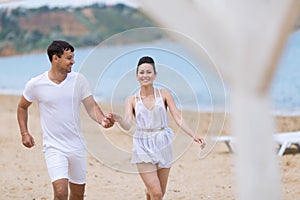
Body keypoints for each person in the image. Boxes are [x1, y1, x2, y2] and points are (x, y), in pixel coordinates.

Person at [17, 40, 114, 200]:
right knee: (61, 192)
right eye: (69, 58)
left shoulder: (79, 80)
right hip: (54, 147)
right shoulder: (36, 84)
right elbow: (22, 107)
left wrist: (103, 120)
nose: (73, 62)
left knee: (77, 195)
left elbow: (91, 106)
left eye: (73, 57)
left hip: (77, 146)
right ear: (56, 58)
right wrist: (24, 132)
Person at [110, 56, 206, 200]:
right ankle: (150, 192)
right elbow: (128, 124)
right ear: (137, 76)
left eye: (149, 72)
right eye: (141, 72)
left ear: (155, 75)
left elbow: (177, 117)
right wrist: (118, 119)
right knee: (157, 194)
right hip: (142, 144)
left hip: (162, 143)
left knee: (158, 193)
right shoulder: (131, 100)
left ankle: (148, 193)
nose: (145, 75)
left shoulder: (164, 94)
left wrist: (194, 135)